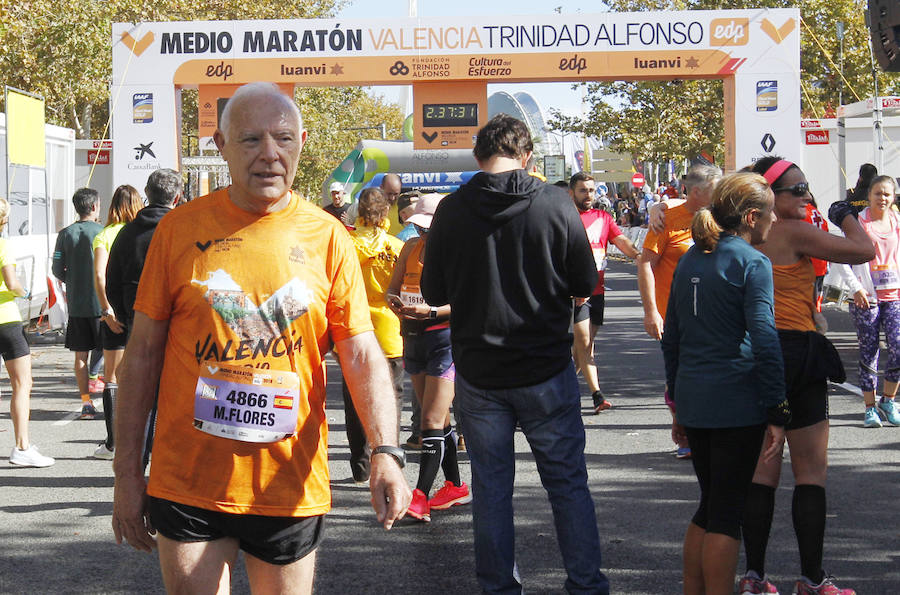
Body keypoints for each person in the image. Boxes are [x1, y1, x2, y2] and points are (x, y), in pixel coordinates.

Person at [112, 82, 411, 593]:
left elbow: (361, 353)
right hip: (189, 478)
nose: (269, 153)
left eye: (283, 138)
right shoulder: (179, 231)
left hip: (287, 483)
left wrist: (386, 451)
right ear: (221, 146)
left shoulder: (327, 236)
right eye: (250, 139)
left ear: (301, 143)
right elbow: (140, 356)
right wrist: (125, 476)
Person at [422, 114, 609, 593]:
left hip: (480, 372)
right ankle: (587, 586)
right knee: (567, 486)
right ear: (526, 155)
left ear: (477, 155)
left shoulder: (453, 209)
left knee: (491, 492)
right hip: (546, 366)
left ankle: (499, 588)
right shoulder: (554, 202)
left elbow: (433, 288)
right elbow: (586, 281)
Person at [738, 157, 872, 595]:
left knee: (763, 472)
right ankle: (811, 578)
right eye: (796, 190)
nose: (806, 195)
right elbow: (863, 250)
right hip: (795, 351)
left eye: (807, 188)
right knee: (810, 471)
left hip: (754, 354)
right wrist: (846, 214)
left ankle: (754, 577)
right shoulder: (791, 232)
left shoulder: (737, 234)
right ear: (769, 195)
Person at [661, 172, 788, 595]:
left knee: (709, 505)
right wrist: (778, 407)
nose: (773, 223)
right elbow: (765, 339)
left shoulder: (692, 258)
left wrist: (677, 400)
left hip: (695, 398)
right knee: (726, 511)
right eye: (769, 215)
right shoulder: (752, 262)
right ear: (752, 216)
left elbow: (672, 338)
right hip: (736, 400)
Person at [387, 193, 470, 522]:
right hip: (413, 337)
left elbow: (467, 301)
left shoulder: (458, 252)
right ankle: (455, 486)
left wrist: (432, 310)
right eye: (418, 228)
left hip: (444, 339)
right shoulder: (410, 248)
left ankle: (419, 496)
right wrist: (394, 300)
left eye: (427, 228)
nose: (422, 233)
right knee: (439, 421)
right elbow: (391, 287)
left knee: (430, 423)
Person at [638, 164, 722, 458]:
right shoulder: (668, 220)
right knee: (681, 376)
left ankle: (710, 431)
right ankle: (683, 432)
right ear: (697, 191)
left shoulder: (721, 217)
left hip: (715, 315)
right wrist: (651, 312)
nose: (720, 194)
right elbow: (645, 263)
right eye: (715, 189)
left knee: (715, 373)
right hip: (675, 316)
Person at [105, 168, 182, 466]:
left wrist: (124, 315)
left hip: (137, 321)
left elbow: (112, 279)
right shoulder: (181, 229)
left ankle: (138, 461)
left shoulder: (127, 232)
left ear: (147, 195)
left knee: (141, 395)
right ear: (177, 197)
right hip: (177, 322)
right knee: (175, 392)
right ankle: (170, 462)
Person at [342, 187, 406, 483]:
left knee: (354, 396)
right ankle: (390, 455)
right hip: (390, 330)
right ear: (385, 214)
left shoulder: (346, 245)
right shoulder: (396, 246)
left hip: (354, 330)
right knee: (391, 396)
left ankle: (361, 464)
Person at [567, 172, 639, 412]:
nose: (588, 195)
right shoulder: (565, 217)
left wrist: (639, 258)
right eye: (582, 190)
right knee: (584, 343)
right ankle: (597, 395)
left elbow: (621, 242)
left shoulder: (603, 217)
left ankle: (555, 389)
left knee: (583, 349)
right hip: (576, 293)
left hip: (598, 290)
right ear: (571, 192)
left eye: (591, 190)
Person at [836, 175, 900, 428]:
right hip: (867, 298)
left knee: (898, 348)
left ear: (893, 196)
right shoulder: (858, 223)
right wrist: (856, 289)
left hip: (894, 295)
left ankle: (888, 399)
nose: (882, 198)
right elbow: (839, 258)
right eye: (878, 193)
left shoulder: (896, 220)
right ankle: (870, 408)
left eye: (887, 194)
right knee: (869, 351)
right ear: (869, 196)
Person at [0, 198, 55, 467]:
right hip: (6, 320)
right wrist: (27, 291)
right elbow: (12, 283)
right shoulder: (2, 245)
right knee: (22, 384)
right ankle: (22, 447)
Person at [91, 184, 142, 459]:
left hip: (114, 314)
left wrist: (106, 308)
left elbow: (99, 275)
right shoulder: (141, 234)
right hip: (142, 313)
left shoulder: (105, 235)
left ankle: (113, 442)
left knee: (112, 376)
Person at [52, 188, 104, 419]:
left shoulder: (65, 234)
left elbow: (56, 269)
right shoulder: (103, 232)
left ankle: (86, 403)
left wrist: (71, 280)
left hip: (77, 304)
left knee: (80, 357)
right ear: (94, 207)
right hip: (103, 304)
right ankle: (113, 398)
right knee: (111, 352)